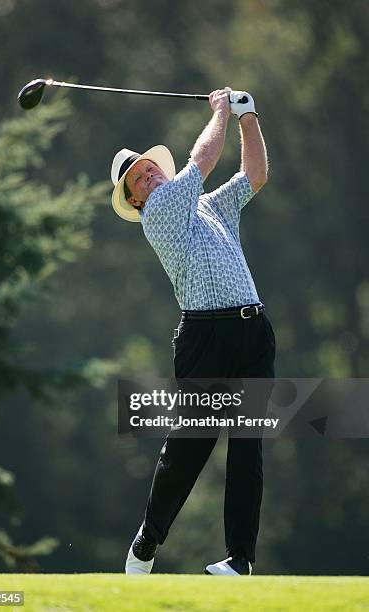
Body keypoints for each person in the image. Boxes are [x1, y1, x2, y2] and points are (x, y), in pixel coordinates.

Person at [110, 88, 276, 576]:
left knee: (248, 446)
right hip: (205, 339)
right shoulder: (159, 215)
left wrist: (248, 116)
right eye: (138, 179)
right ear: (136, 200)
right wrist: (221, 111)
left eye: (148, 167)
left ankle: (241, 559)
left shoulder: (208, 207)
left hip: (252, 332)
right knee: (191, 445)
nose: (148, 174)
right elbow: (201, 160)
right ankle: (147, 542)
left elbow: (255, 176)